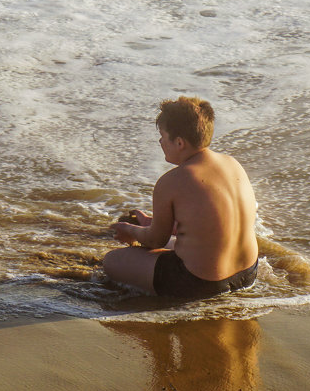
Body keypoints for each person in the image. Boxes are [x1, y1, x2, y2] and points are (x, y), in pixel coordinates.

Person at [104, 96, 259, 298]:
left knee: (112, 261)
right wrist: (150, 222)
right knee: (173, 245)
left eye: (162, 136)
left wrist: (130, 230)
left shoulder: (171, 181)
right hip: (247, 273)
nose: (160, 141)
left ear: (179, 142)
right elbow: (209, 222)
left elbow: (155, 240)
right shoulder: (232, 164)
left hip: (200, 282)